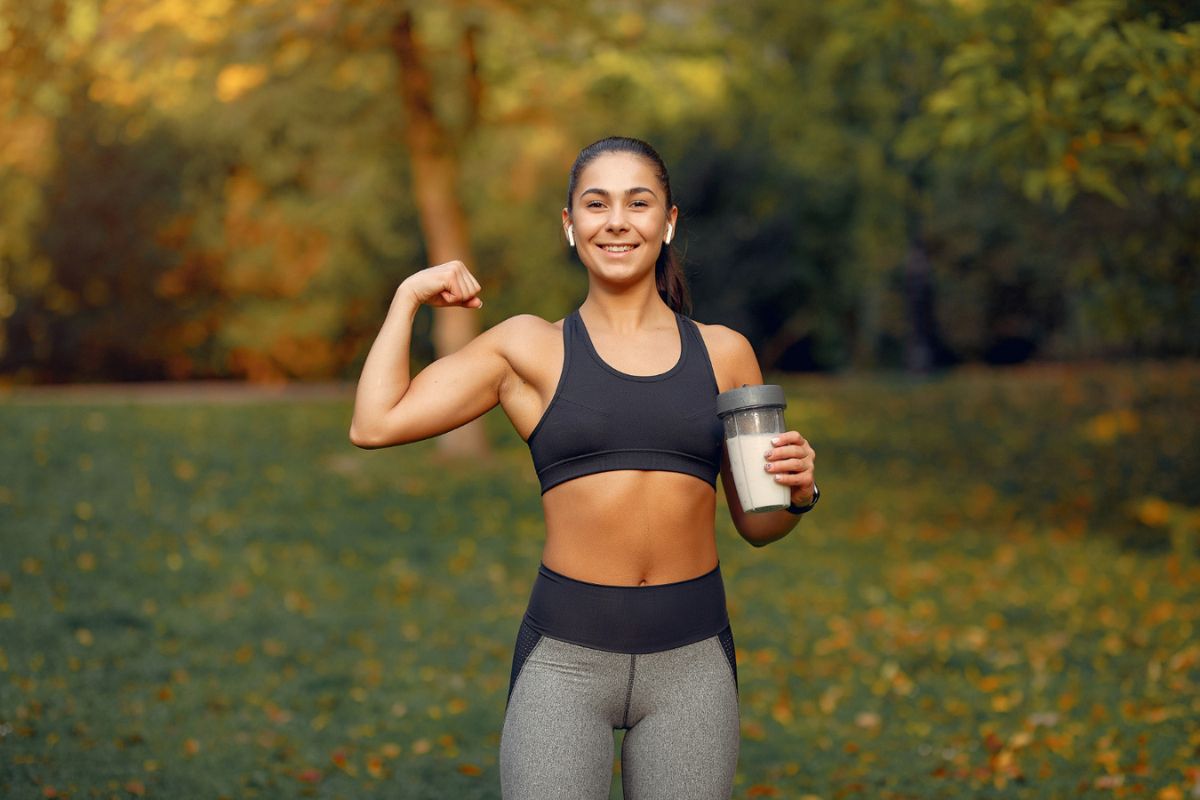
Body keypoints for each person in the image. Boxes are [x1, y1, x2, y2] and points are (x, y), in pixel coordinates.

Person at [349, 136, 819, 799]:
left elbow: (759, 524)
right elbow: (374, 423)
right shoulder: (528, 349)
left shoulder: (726, 354)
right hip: (565, 665)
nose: (617, 221)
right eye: (596, 204)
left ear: (669, 221)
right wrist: (406, 298)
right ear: (570, 226)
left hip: (693, 667)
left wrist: (798, 492)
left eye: (639, 202)